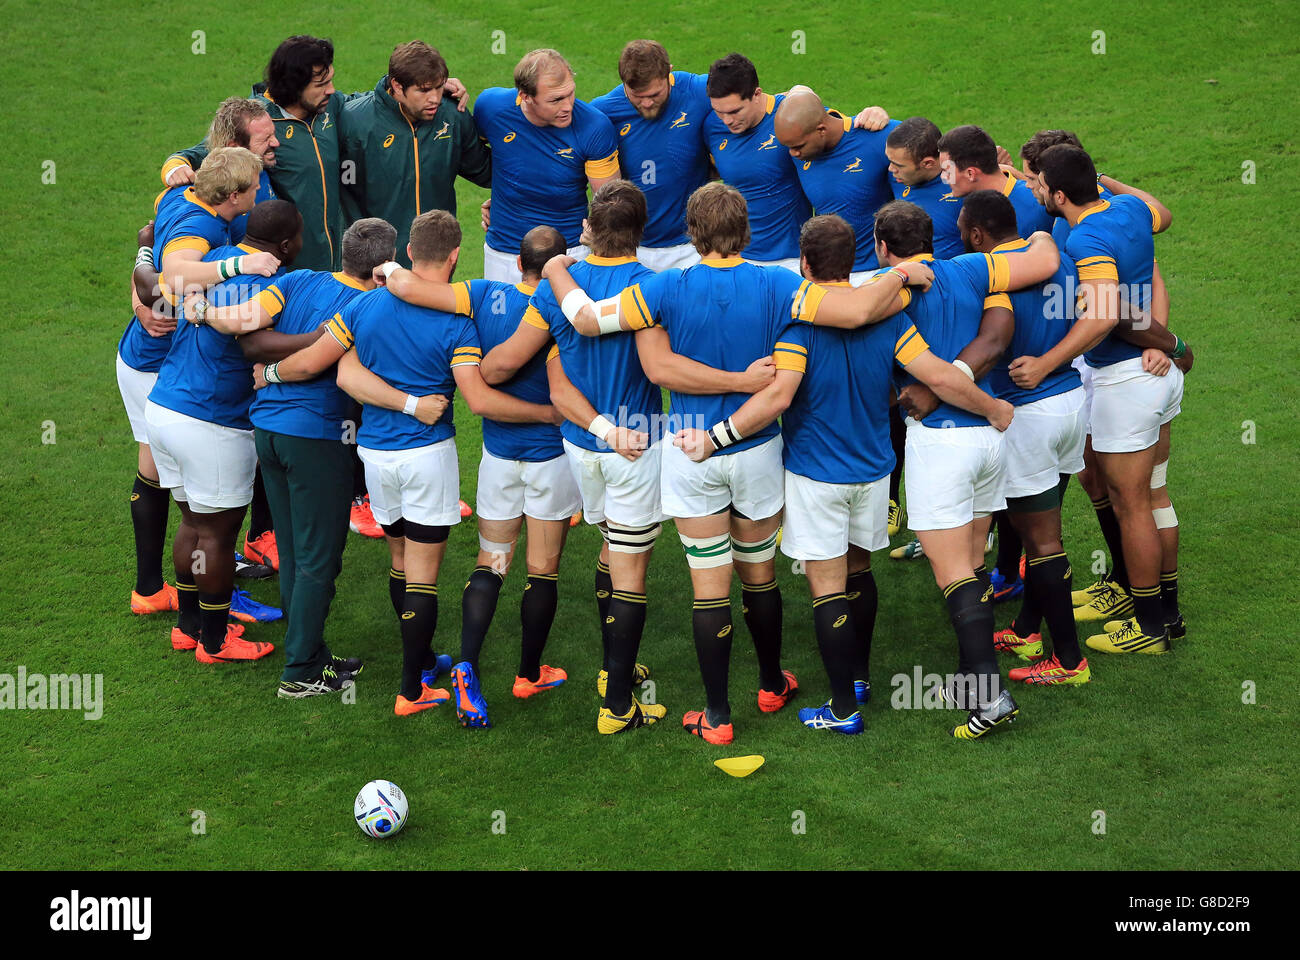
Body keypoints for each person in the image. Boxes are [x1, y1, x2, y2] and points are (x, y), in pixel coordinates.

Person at [190, 218, 433, 696]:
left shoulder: (298, 281)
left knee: (297, 552)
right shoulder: (372, 305)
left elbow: (240, 323)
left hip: (269, 434)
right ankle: (300, 672)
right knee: (319, 558)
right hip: (318, 439)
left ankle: (312, 652)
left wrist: (199, 308)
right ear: (385, 262)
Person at [874, 199, 1062, 738]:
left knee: (951, 570)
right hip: (987, 445)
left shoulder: (890, 290)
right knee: (973, 561)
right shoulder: (973, 267)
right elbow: (1040, 265)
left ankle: (989, 694)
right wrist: (1045, 235)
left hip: (942, 445)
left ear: (884, 247)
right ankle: (967, 679)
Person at [903, 190, 1092, 683]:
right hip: (1071, 402)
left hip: (1024, 413)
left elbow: (994, 340)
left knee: (1044, 541)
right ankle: (1029, 630)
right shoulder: (1060, 260)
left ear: (977, 234)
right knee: (1034, 525)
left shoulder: (984, 270)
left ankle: (1070, 661)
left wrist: (949, 383)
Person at [1011, 144, 1188, 655]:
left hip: (1125, 382)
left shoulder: (1087, 238)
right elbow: (1160, 212)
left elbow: (1106, 315)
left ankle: (1149, 628)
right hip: (1157, 377)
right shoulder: (1129, 209)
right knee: (1153, 495)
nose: (1035, 189)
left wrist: (1047, 363)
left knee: (1131, 506)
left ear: (1060, 193)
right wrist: (1107, 180)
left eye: (1039, 183)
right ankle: (1168, 615)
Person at [148, 199, 311, 663]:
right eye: (299, 236)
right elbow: (256, 344)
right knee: (217, 537)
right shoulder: (273, 287)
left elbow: (157, 276)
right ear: (285, 245)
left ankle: (189, 625)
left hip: (164, 408)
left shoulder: (210, 262)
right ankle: (216, 642)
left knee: (193, 524)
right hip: (213, 422)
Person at [120, 149, 279, 620]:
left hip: (165, 367)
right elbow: (173, 276)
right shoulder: (204, 228)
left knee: (193, 505)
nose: (262, 186)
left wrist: (143, 269)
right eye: (256, 183)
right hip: (161, 367)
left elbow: (151, 265)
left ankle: (193, 604)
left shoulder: (179, 194)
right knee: (181, 495)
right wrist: (239, 269)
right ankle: (180, 602)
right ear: (233, 193)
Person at [474, 48, 621, 282]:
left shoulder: (594, 127)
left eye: (570, 94)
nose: (568, 106)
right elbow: (481, 157)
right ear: (525, 96)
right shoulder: (491, 108)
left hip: (568, 254)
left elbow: (609, 204)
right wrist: (503, 194)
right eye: (556, 100)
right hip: (503, 252)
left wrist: (601, 238)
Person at [340, 41, 492, 266]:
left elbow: (487, 172)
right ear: (397, 86)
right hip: (376, 262)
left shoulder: (452, 116)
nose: (435, 98)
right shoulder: (355, 123)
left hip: (436, 258)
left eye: (439, 87)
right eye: (423, 90)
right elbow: (341, 194)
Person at [590, 40, 711, 270]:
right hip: (632, 250)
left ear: (669, 73)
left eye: (654, 94)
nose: (646, 103)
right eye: (637, 95)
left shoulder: (697, 91)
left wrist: (797, 93)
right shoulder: (602, 112)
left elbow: (749, 97)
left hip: (694, 248)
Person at [774, 88, 899, 281]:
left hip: (877, 274)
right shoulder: (799, 136)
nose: (792, 154)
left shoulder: (881, 138)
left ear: (821, 130)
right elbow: (798, 93)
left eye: (798, 147)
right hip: (826, 276)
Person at [938, 124, 1054, 239]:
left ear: (970, 173)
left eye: (947, 172)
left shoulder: (1038, 205)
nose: (943, 177)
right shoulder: (965, 203)